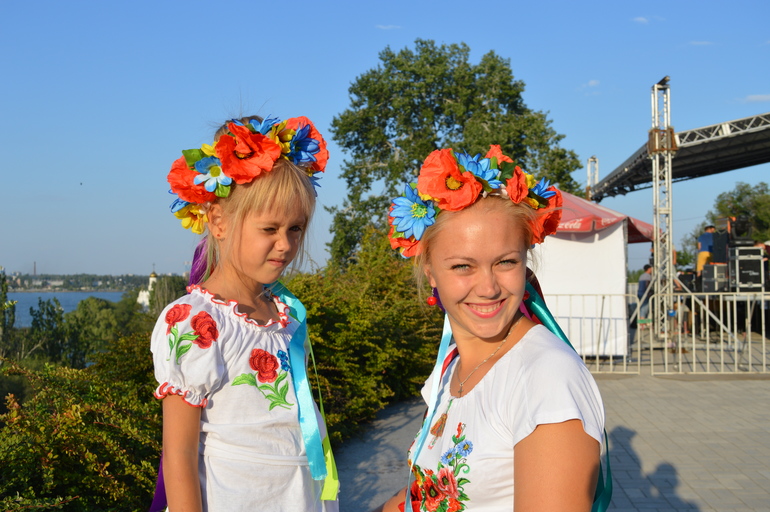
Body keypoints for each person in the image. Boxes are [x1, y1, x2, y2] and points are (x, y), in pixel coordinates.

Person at [376, 146, 608, 511]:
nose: (488, 288)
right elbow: (424, 493)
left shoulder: (546, 378)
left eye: (505, 262)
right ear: (431, 272)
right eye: (463, 266)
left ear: (525, 261)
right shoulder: (453, 366)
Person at [150, 115, 338, 512]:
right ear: (218, 221)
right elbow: (179, 456)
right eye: (269, 229)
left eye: (296, 229)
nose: (285, 244)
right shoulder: (195, 322)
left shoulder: (284, 313)